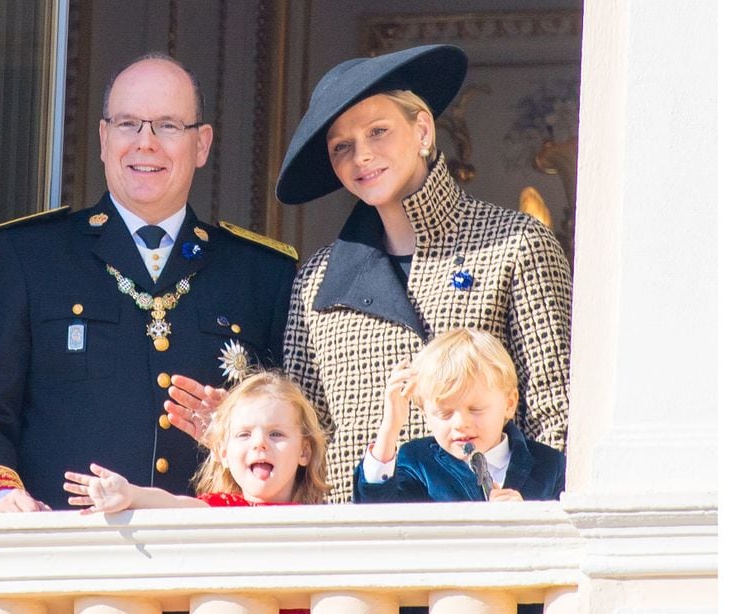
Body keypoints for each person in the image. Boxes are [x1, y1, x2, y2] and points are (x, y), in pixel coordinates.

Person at [167, 44, 572, 503]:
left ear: (422, 129)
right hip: (349, 549)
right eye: (342, 146)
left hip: (479, 547)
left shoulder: (517, 244)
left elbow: (554, 415)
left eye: (378, 131)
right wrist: (250, 425)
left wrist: (533, 521)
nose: (362, 156)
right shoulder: (316, 279)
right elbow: (305, 433)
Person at [0, 53, 298, 513]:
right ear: (104, 138)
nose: (145, 143)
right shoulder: (32, 256)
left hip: (212, 559)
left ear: (202, 144)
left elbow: (305, 431)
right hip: (66, 554)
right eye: (128, 124)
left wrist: (245, 426)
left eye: (168, 126)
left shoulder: (260, 274)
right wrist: (1, 500)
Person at [63, 371, 330, 511]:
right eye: (244, 434)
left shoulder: (320, 516)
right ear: (222, 452)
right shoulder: (220, 509)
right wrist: (130, 494)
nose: (259, 444)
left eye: (276, 434)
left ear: (304, 452)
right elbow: (173, 504)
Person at [353, 328, 565, 503]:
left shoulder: (549, 465)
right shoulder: (417, 462)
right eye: (444, 413)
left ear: (509, 403)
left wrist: (531, 518)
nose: (461, 423)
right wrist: (389, 429)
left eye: (476, 409)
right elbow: (377, 511)